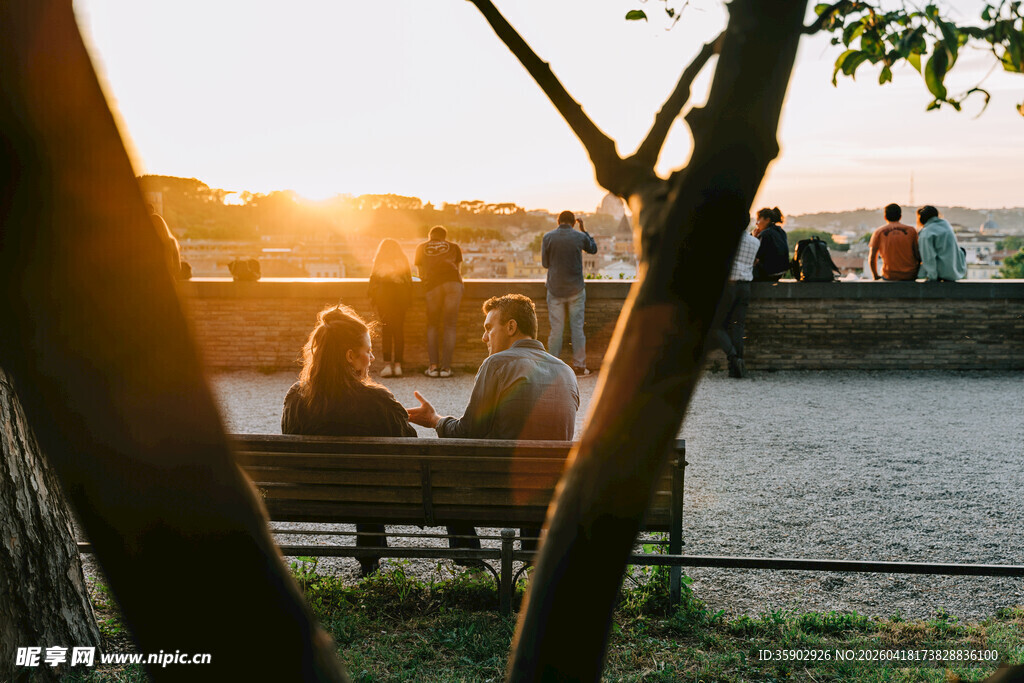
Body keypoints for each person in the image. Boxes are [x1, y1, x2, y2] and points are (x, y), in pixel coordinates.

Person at [407, 293, 579, 558]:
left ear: (511, 327)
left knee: (444, 471)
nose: (484, 338)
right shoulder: (566, 371)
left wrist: (435, 420)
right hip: (552, 492)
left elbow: (467, 432)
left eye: (489, 328)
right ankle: (531, 562)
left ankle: (470, 563)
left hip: (499, 490)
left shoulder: (497, 364)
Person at [281, 304, 416, 577]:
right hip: (371, 493)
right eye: (367, 351)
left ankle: (370, 561)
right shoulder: (377, 400)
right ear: (350, 356)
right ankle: (370, 562)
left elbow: (289, 438)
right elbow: (409, 450)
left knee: (365, 475)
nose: (372, 357)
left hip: (312, 492)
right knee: (370, 476)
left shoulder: (297, 397)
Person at [542, 210, 598, 375]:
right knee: (577, 329)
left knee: (556, 330)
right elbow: (593, 249)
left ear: (558, 221)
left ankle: (553, 367)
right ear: (574, 223)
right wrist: (584, 230)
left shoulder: (548, 237)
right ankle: (580, 366)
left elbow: (545, 264)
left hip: (555, 289)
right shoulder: (579, 237)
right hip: (575, 290)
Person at [414, 226, 463, 378]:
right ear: (444, 237)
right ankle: (446, 369)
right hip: (453, 284)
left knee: (432, 325)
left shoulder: (421, 247)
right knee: (450, 326)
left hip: (433, 285)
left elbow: (420, 272)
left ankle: (433, 367)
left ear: (430, 236)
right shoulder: (454, 247)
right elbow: (458, 270)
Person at [716, 229, 760, 378]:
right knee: (738, 326)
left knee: (715, 324)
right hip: (745, 286)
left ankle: (733, 357)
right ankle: (737, 367)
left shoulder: (727, 238)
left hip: (729, 286)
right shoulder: (755, 241)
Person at [368, 239, 413, 377]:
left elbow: (373, 279)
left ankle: (387, 366)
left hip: (384, 298)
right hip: (400, 298)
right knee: (399, 331)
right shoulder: (403, 259)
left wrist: (373, 298)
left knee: (386, 331)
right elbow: (408, 280)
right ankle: (398, 366)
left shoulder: (380, 259)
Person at [869, 203, 920, 281]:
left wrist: (875, 276)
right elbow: (918, 255)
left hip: (889, 275)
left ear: (885, 217)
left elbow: (872, 257)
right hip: (910, 275)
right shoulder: (911, 231)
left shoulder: (879, 232)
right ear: (900, 216)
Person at [916, 205, 967, 281]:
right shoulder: (946, 225)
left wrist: (932, 277)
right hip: (956, 271)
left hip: (942, 272)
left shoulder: (926, 232)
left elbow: (928, 258)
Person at [751, 206, 789, 282]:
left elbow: (755, 257)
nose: (756, 223)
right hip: (780, 273)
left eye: (758, 220)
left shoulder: (765, 234)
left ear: (767, 220)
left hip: (768, 273)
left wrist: (754, 238)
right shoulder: (781, 232)